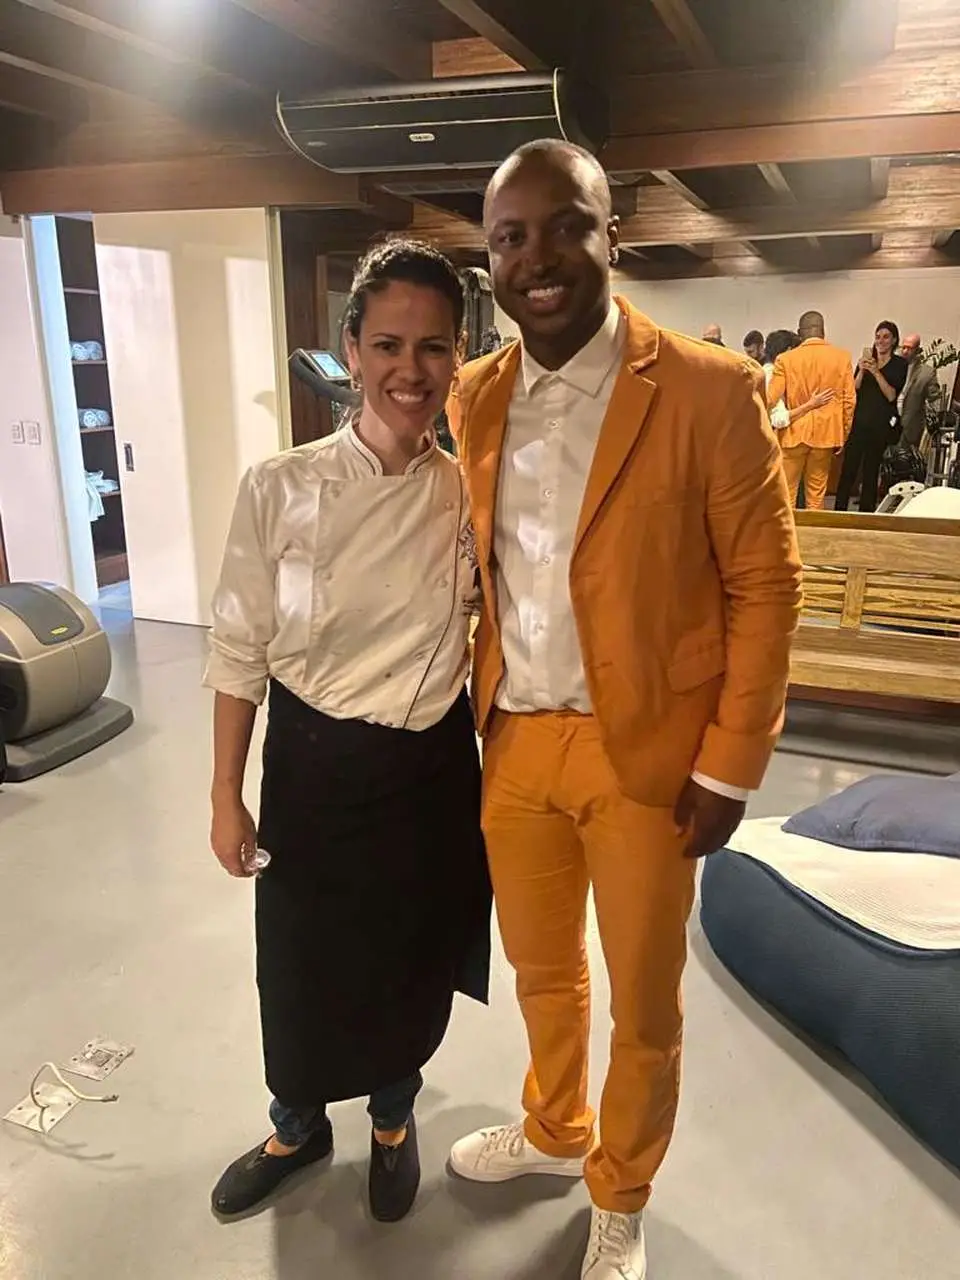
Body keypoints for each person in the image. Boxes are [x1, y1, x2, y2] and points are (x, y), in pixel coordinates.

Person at [448, 140, 802, 1280]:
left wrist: (731, 763)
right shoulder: (476, 395)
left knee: (645, 998)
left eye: (566, 226)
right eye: (510, 238)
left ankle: (622, 1189)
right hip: (514, 740)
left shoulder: (708, 389)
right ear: (491, 259)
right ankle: (556, 1126)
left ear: (615, 235)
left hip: (647, 750)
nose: (538, 258)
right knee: (541, 969)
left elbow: (766, 585)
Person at [204, 238, 491, 1224]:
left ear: (458, 355)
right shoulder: (278, 485)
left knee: (407, 957)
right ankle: (297, 1126)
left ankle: (393, 1121)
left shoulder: (469, 490)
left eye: (434, 346)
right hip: (313, 764)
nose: (411, 370)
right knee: (299, 960)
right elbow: (239, 645)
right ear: (353, 349)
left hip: (427, 767)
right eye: (389, 345)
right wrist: (223, 792)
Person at [766, 311, 856, 510]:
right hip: (826, 435)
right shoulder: (842, 358)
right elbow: (849, 401)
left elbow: (770, 399)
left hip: (793, 433)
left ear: (800, 332)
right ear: (823, 331)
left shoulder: (785, 360)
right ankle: (814, 529)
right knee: (816, 496)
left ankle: (789, 530)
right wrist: (843, 433)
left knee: (787, 495)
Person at [835, 319, 909, 513]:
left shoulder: (899, 364)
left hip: (880, 425)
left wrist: (876, 372)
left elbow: (891, 395)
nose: (880, 341)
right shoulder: (867, 360)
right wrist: (861, 370)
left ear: (894, 340)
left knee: (871, 470)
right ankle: (839, 510)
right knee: (848, 469)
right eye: (877, 337)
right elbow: (853, 389)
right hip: (859, 422)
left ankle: (866, 513)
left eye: (885, 337)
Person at [899, 332, 939, 449]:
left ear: (917, 350)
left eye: (909, 348)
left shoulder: (926, 373)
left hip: (910, 427)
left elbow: (934, 400)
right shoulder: (894, 366)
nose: (905, 351)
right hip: (889, 425)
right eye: (903, 347)